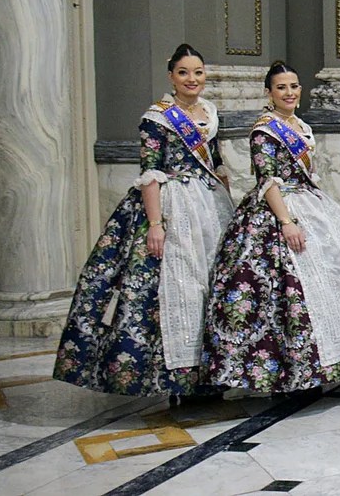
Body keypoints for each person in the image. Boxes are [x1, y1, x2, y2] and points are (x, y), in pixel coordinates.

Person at [55, 44, 236, 397]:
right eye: (183, 72)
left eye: (197, 72)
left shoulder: (210, 114)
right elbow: (151, 172)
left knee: (212, 284)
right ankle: (175, 379)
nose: (192, 79)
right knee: (169, 291)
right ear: (171, 76)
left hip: (210, 207)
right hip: (170, 205)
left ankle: (210, 374)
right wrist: (156, 225)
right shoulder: (157, 118)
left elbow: (216, 165)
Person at [204, 61, 340, 392]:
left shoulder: (300, 126)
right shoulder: (265, 130)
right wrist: (287, 222)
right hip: (276, 212)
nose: (289, 93)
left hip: (309, 202)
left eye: (293, 86)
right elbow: (267, 181)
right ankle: (283, 371)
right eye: (281, 88)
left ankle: (323, 367)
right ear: (269, 93)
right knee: (280, 290)